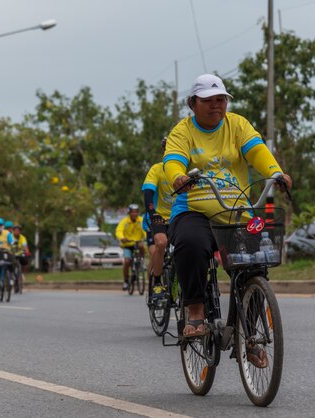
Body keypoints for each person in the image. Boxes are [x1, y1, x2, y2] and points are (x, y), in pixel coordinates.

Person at [164, 72, 292, 355]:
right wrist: (177, 176)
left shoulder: (238, 125)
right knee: (191, 245)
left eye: (221, 99)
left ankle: (251, 336)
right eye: (209, 100)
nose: (216, 106)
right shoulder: (182, 131)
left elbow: (257, 151)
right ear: (193, 103)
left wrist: (275, 173)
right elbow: (173, 160)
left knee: (256, 264)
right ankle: (195, 308)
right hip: (194, 210)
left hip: (236, 211)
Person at [142, 137, 174, 299]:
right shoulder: (157, 169)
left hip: (180, 216)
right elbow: (148, 192)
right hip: (159, 217)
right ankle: (157, 282)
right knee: (160, 244)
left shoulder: (188, 169)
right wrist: (152, 212)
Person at [115, 204, 147, 291]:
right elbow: (119, 230)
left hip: (138, 242)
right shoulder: (124, 221)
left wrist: (146, 237)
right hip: (127, 245)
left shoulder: (141, 220)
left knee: (141, 246)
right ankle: (125, 281)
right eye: (132, 212)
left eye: (136, 212)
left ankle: (142, 262)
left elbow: (145, 230)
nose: (134, 214)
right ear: (129, 213)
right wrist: (122, 238)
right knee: (127, 261)